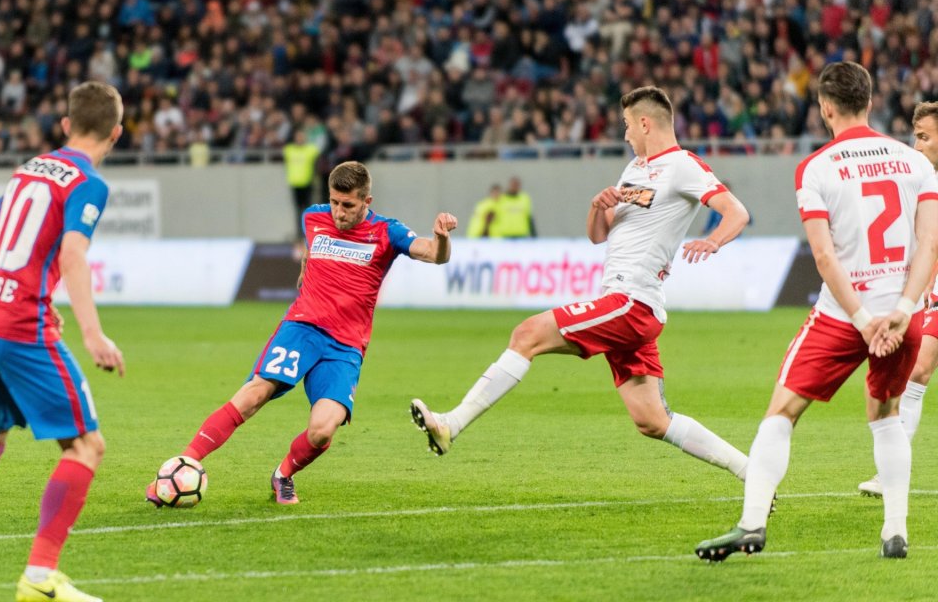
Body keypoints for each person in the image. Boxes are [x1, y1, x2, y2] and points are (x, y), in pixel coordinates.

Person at [410, 86, 753, 489]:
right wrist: (598, 206)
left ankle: (451, 424)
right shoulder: (634, 169)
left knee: (528, 334)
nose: (624, 134)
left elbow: (737, 211)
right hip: (627, 302)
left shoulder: (683, 166)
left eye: (627, 125)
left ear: (645, 123)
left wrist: (713, 240)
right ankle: (750, 470)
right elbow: (598, 237)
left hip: (631, 301)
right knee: (651, 420)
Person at [696, 62, 938, 562]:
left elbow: (825, 258)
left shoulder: (816, 167)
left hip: (842, 316)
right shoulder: (915, 162)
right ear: (870, 101)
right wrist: (903, 309)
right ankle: (895, 533)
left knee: (782, 412)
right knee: (888, 415)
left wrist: (862, 318)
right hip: (902, 312)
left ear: (825, 108)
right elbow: (931, 243)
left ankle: (752, 523)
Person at [146, 161, 457, 507]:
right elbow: (312, 252)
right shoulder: (313, 216)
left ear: (367, 201)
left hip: (345, 346)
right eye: (335, 202)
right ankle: (181, 465)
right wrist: (305, 274)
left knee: (323, 429)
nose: (339, 212)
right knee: (253, 395)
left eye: (348, 205)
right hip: (302, 327)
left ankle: (283, 475)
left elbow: (433, 255)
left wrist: (442, 239)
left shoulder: (388, 231)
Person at [0, 81, 126, 601]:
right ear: (116, 132)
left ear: (65, 125)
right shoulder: (88, 182)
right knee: (87, 446)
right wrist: (93, 334)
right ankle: (40, 577)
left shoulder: (27, 169)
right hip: (22, 324)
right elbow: (71, 256)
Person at [858, 101, 938, 497]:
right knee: (918, 371)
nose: (916, 144)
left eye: (924, 136)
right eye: (915, 136)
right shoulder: (922, 180)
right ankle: (891, 473)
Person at [283, 128, 320, 245]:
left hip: (307, 183)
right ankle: (299, 234)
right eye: (298, 136)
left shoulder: (311, 150)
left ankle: (309, 233)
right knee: (298, 210)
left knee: (309, 210)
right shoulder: (289, 150)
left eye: (301, 136)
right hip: (295, 184)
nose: (300, 139)